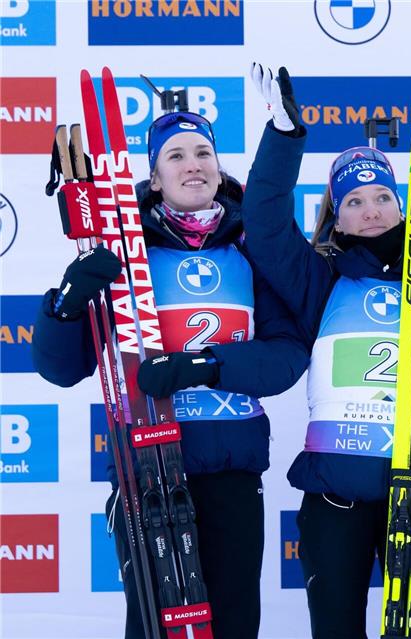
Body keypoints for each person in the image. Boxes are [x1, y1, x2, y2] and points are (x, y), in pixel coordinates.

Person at [32, 110, 310, 639]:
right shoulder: (122, 253)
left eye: (203, 153)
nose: (193, 166)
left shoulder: (253, 251)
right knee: (155, 626)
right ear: (155, 178)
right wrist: (67, 304)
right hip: (147, 469)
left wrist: (205, 366)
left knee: (232, 625)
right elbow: (61, 369)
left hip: (232, 468)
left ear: (218, 167)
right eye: (176, 156)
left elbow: (286, 357)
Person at [241, 64, 411, 639]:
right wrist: (284, 136)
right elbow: (263, 225)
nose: (372, 209)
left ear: (401, 203)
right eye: (354, 200)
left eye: (383, 195)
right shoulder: (319, 280)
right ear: (336, 212)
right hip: (335, 498)